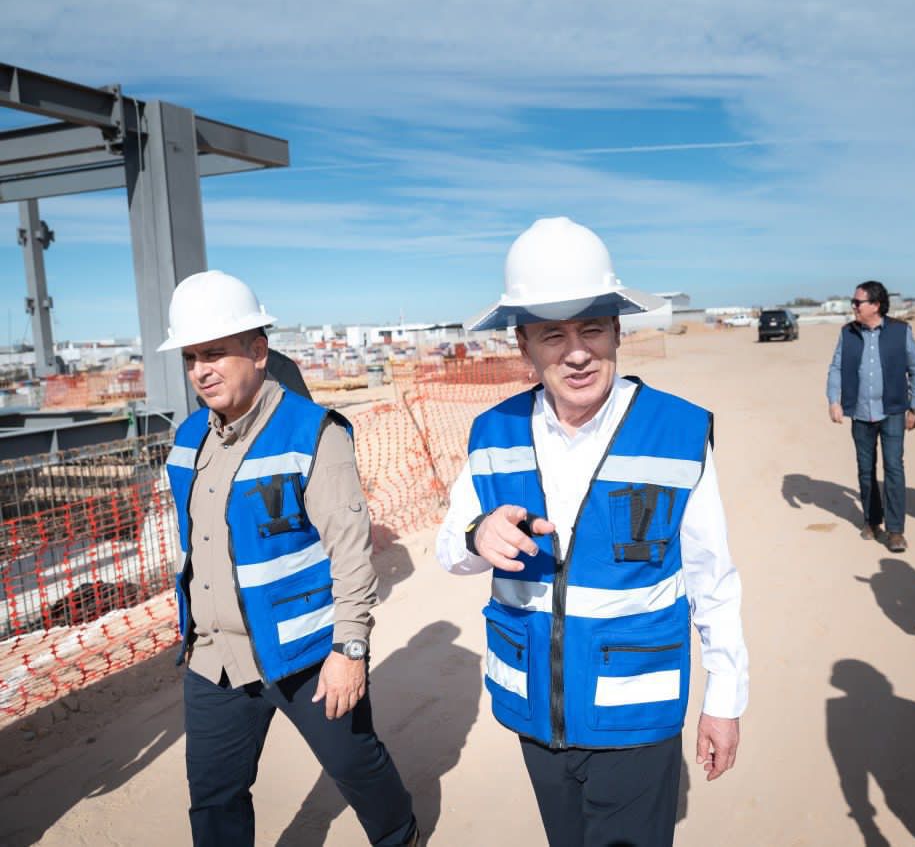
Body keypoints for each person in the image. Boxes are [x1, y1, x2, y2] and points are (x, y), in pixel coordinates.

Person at [436, 218, 748, 847]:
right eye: (553, 335)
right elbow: (450, 548)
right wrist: (477, 536)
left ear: (617, 333)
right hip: (535, 711)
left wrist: (725, 697)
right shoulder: (492, 433)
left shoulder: (677, 432)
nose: (577, 353)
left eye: (592, 330)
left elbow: (712, 578)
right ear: (523, 344)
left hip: (636, 713)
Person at [159, 270, 418, 846]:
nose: (201, 370)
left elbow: (351, 556)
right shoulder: (188, 438)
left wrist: (350, 650)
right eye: (192, 357)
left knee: (355, 765)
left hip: (305, 654)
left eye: (216, 354)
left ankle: (399, 833)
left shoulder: (313, 433)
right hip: (215, 656)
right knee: (214, 795)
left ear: (258, 352)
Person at [826, 280, 915, 553]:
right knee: (865, 470)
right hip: (860, 413)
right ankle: (872, 521)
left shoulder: (900, 331)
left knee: (893, 468)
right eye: (853, 302)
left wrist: (914, 407)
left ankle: (896, 530)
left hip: (892, 411)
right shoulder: (848, 333)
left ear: (876, 305)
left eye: (858, 302)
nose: (854, 307)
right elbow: (836, 368)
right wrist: (834, 401)